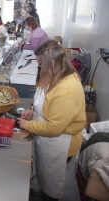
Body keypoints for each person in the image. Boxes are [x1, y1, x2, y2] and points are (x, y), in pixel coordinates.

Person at [17, 40, 86, 201]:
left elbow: (55, 128)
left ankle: (50, 197)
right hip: (48, 141)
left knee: (52, 180)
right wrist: (32, 111)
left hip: (60, 144)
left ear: (52, 63)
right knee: (45, 175)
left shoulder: (67, 90)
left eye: (41, 64)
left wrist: (27, 124)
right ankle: (45, 190)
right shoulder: (58, 75)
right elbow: (49, 103)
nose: (39, 67)